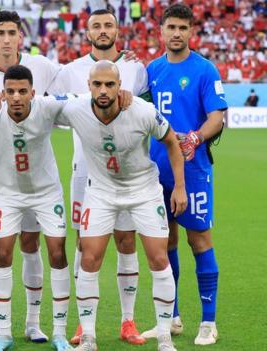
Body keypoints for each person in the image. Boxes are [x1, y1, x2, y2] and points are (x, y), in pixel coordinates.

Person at [53, 60, 187, 351]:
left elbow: (172, 141)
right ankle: (88, 338)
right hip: (101, 191)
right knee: (89, 259)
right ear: (88, 86)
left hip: (143, 191)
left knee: (158, 259)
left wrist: (179, 187)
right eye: (97, 84)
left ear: (119, 86)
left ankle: (164, 338)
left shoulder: (141, 110)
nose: (103, 90)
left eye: (110, 84)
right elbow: (38, 106)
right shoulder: (74, 109)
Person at [49, 8, 149, 346]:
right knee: (84, 244)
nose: (103, 30)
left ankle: (128, 321)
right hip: (86, 171)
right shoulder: (69, 71)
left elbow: (146, 115)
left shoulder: (136, 68)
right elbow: (53, 112)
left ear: (118, 30)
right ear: (87, 31)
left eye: (109, 25)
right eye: (96, 26)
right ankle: (83, 324)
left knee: (126, 240)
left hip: (128, 173)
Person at [0, 11, 60, 343]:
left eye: (12, 32)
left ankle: (33, 322)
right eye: (0, 32)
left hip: (32, 173)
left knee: (31, 242)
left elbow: (71, 91)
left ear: (20, 35)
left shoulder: (42, 67)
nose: (6, 38)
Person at [140, 4, 227, 345]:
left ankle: (208, 322)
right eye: (170, 27)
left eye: (182, 28)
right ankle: (171, 317)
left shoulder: (205, 70)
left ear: (192, 32)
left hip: (193, 170)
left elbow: (217, 116)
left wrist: (196, 137)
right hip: (156, 170)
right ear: (161, 32)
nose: (176, 33)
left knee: (199, 240)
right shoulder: (152, 70)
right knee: (165, 244)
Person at [0, 65, 72, 351]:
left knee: (56, 252)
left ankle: (49, 329)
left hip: (46, 193)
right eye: (10, 91)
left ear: (33, 93)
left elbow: (85, 99)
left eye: (22, 91)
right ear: (2, 93)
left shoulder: (47, 107)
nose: (16, 97)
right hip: (9, 195)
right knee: (2, 253)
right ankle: (3, 333)